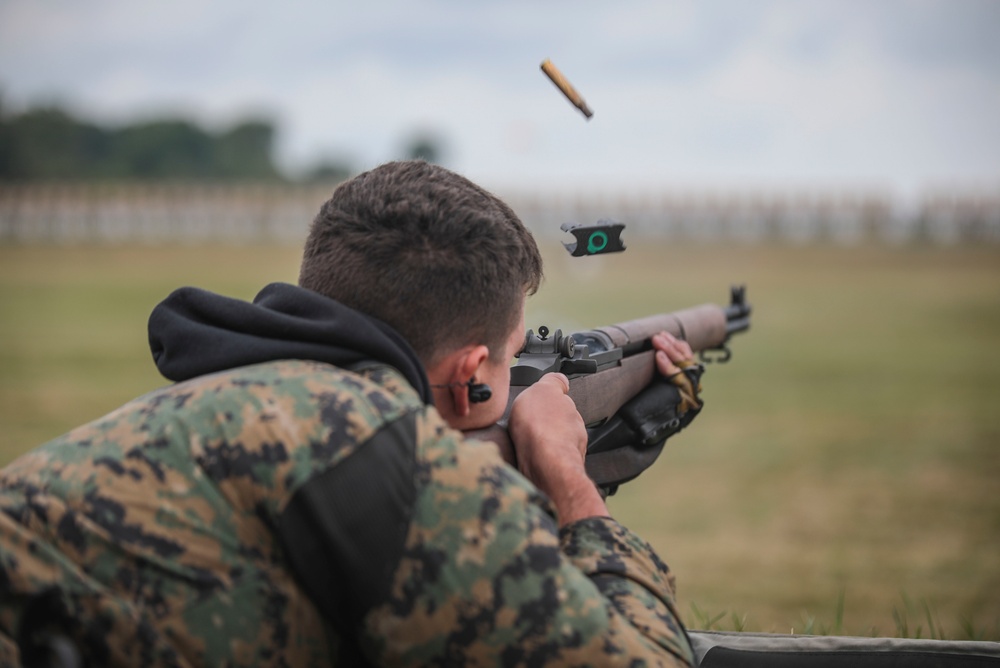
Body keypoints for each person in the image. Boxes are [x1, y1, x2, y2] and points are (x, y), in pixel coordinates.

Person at [0, 160, 698, 667]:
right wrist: (569, 482)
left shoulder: (204, 400)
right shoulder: (396, 463)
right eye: (512, 358)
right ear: (468, 382)